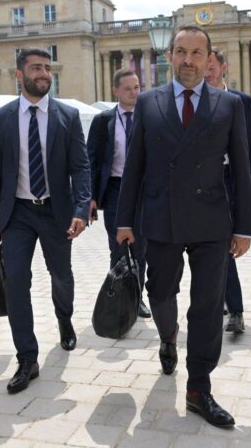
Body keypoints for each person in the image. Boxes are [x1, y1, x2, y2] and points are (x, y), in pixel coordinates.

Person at [116, 26, 251, 427]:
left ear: (209, 59)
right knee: (159, 293)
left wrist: (243, 227)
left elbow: (242, 169)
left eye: (197, 53)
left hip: (212, 220)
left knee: (208, 306)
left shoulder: (228, 105)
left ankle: (199, 388)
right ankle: (168, 336)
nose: (188, 60)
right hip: (160, 218)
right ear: (170, 56)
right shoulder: (148, 102)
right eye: (181, 52)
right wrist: (124, 220)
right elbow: (134, 167)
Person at [0, 48, 91, 394]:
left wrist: (80, 208)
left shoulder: (67, 116)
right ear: (19, 74)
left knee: (61, 275)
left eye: (47, 67)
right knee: (16, 282)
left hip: (56, 213)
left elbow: (81, 166)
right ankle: (27, 358)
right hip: (17, 214)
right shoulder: (1, 118)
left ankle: (64, 318)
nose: (44, 73)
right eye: (36, 68)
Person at [203, 48, 251, 334]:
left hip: (231, 179)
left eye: (211, 66)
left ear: (223, 67)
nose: (206, 72)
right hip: (203, 181)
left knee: (226, 246)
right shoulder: (193, 101)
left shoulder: (241, 101)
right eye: (203, 67)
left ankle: (235, 310)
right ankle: (227, 306)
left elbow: (250, 147)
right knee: (214, 247)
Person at [87, 68, 151, 318]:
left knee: (141, 248)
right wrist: (90, 197)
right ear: (116, 91)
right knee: (118, 247)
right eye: (128, 88)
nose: (134, 93)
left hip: (143, 190)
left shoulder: (148, 117)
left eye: (137, 87)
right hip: (115, 189)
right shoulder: (103, 121)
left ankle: (137, 297)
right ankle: (118, 296)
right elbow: (91, 160)